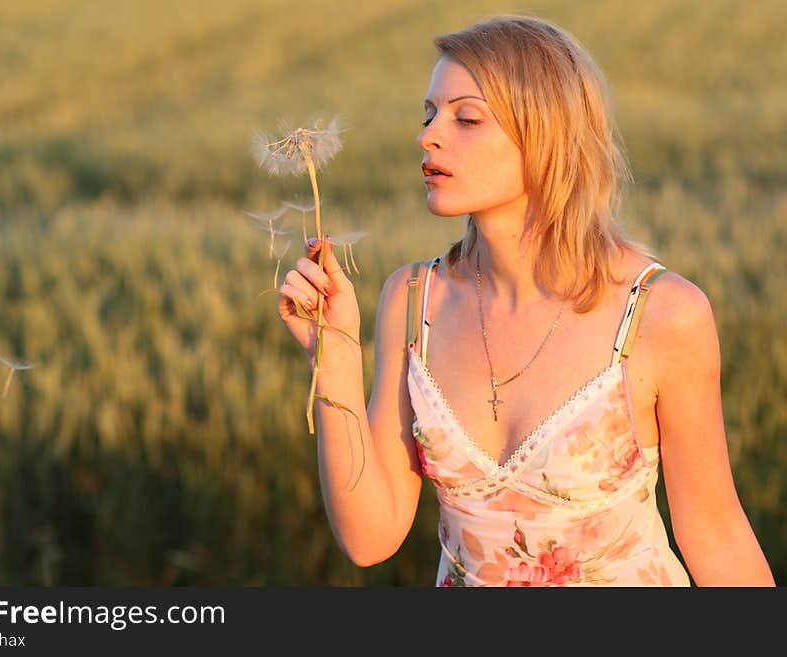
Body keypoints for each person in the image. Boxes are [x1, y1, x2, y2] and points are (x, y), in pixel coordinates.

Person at [276, 14, 775, 586]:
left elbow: (716, 536)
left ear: (546, 134)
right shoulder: (412, 300)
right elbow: (369, 537)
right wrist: (333, 355)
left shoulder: (661, 315)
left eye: (466, 118)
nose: (429, 135)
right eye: (429, 114)